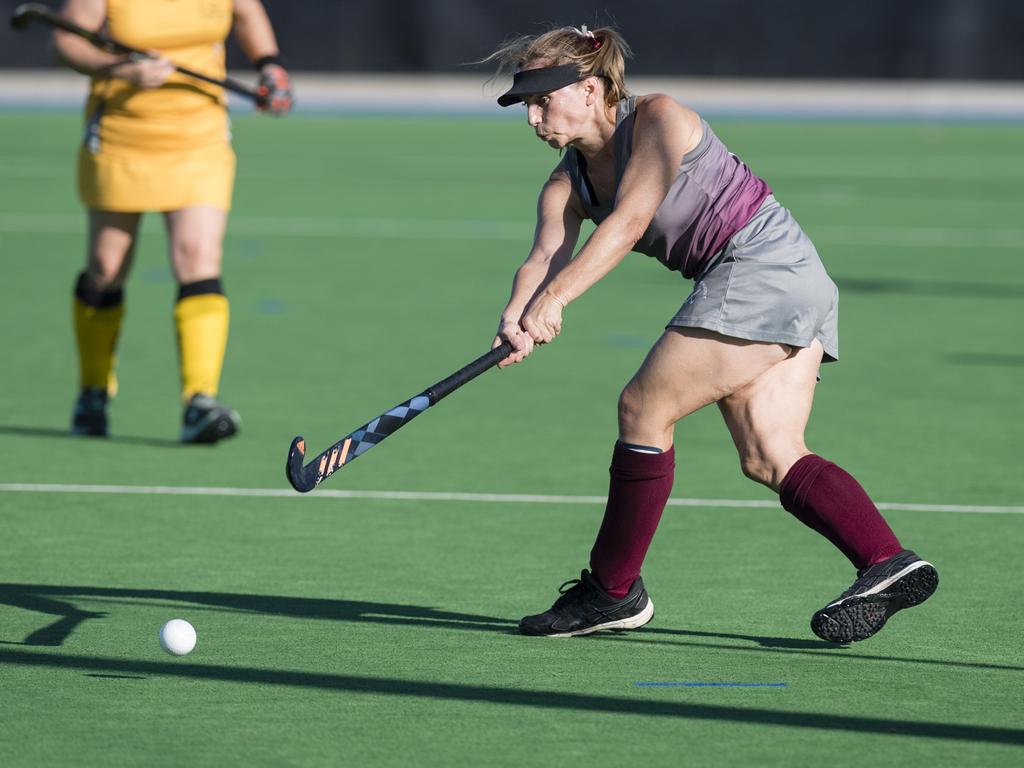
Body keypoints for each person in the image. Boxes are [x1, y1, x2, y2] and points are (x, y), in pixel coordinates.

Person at [486, 25, 938, 643]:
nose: (534, 117)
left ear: (590, 90)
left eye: (544, 99)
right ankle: (886, 561)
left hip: (759, 266)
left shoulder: (660, 118)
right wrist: (517, 314)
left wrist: (558, 302)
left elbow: (633, 217)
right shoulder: (568, 183)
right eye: (527, 105)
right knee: (769, 453)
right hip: (789, 278)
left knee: (643, 407)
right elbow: (544, 257)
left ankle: (611, 590)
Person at [54, 0, 293, 443]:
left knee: (198, 257)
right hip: (122, 135)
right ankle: (93, 392)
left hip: (198, 136)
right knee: (106, 268)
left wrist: (269, 66)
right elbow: (66, 42)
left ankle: (199, 401)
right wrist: (119, 69)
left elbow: (248, 14)